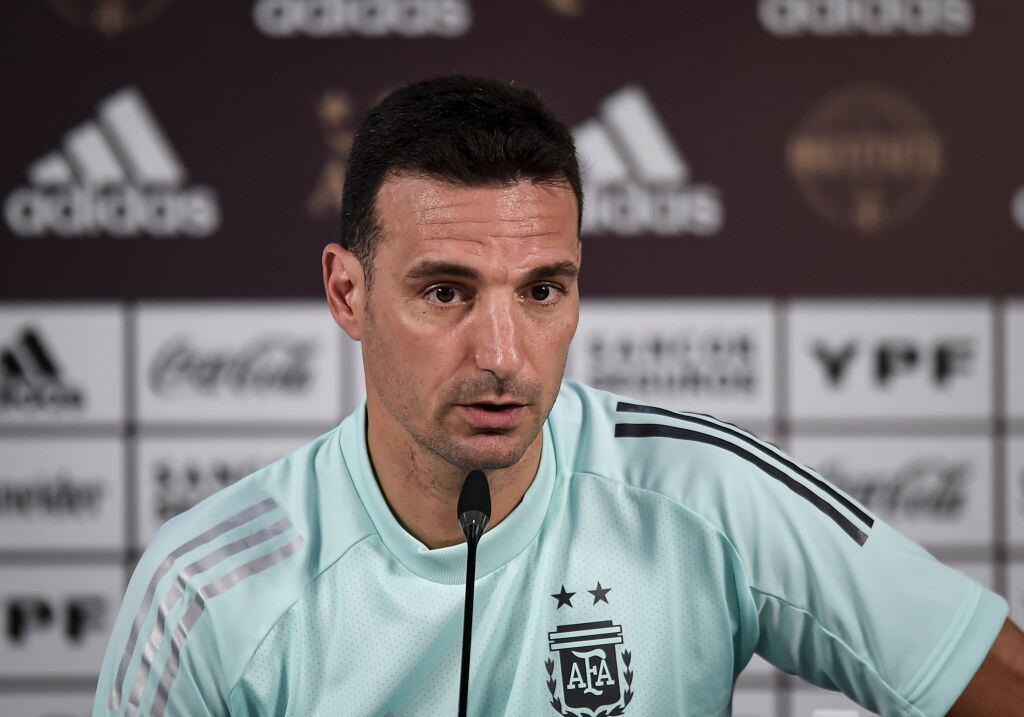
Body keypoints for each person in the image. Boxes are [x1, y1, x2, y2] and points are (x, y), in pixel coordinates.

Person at [93, 74, 1023, 716]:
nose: (504, 354)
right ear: (348, 293)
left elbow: (995, 675)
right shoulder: (205, 587)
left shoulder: (702, 493)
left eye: (542, 289)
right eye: (445, 291)